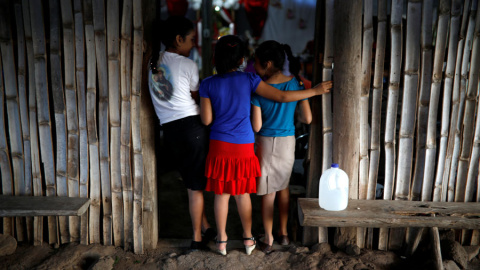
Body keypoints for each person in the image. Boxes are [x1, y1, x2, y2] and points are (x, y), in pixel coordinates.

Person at [199, 35, 332, 256]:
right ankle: (249, 239)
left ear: (216, 56)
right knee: (242, 194)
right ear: (242, 59)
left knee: (221, 194)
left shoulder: (207, 83)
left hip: (219, 144)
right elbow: (280, 96)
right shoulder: (250, 80)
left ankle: (222, 241)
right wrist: (314, 91)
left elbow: (206, 120)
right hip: (243, 145)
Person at [148, 16, 215, 251]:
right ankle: (197, 238)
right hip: (192, 128)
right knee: (196, 187)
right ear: (178, 40)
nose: (193, 44)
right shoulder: (187, 65)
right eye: (191, 40)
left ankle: (205, 226)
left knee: (191, 182)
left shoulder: (153, 62)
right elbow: (198, 96)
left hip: (170, 132)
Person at [251, 40, 312, 253]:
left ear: (267, 64)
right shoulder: (295, 84)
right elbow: (307, 117)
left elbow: (256, 125)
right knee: (283, 187)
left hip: (266, 143)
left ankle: (267, 239)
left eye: (256, 62)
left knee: (268, 191)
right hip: (288, 142)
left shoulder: (260, 89)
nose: (254, 66)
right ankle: (284, 234)